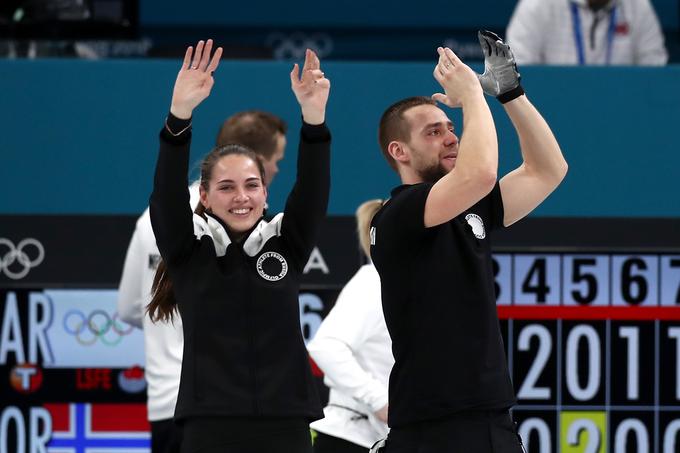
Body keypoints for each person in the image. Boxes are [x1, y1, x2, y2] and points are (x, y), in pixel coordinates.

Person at [369, 31, 568, 452]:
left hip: (491, 417)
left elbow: (547, 170)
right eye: (433, 132)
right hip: (434, 424)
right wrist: (473, 97)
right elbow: (479, 174)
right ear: (399, 151)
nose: (451, 137)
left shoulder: (468, 208)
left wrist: (510, 93)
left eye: (451, 127)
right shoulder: (398, 214)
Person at [147, 39, 331, 453]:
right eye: (226, 187)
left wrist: (314, 119)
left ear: (266, 194)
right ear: (206, 197)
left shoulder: (287, 246)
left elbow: (314, 191)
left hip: (287, 424)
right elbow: (165, 197)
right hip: (209, 427)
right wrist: (180, 115)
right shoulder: (188, 251)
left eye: (252, 186)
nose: (242, 197)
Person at [117, 108, 288, 453]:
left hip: (170, 402)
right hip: (230, 403)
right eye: (276, 160)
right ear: (257, 159)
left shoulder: (151, 221)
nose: (277, 170)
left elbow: (130, 309)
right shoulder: (254, 227)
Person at [308, 199, 392, 452]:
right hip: (350, 439)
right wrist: (379, 401)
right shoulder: (374, 281)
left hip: (385, 441)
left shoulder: (407, 286)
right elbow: (326, 347)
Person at [506, 0, 667, 65]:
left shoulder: (638, 7)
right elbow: (518, 72)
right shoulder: (537, 5)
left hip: (621, 112)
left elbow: (655, 76)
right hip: (550, 113)